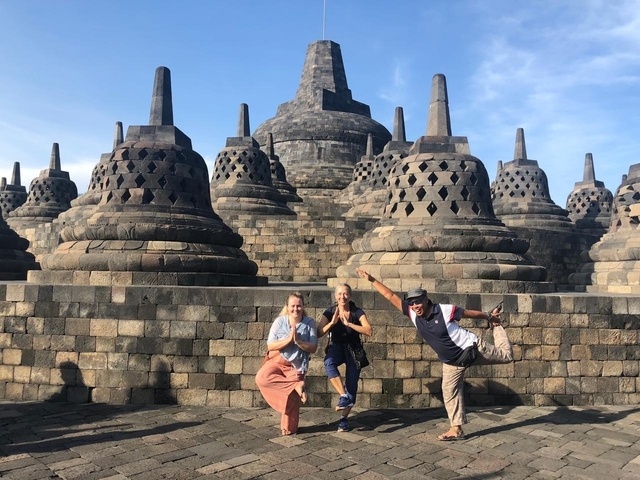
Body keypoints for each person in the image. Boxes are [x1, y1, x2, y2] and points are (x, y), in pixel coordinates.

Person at [355, 268, 512, 441]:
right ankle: (456, 429)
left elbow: (468, 313)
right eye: (412, 303)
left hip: (472, 348)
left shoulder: (444, 310)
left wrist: (489, 317)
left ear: (426, 300)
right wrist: (371, 279)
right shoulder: (413, 314)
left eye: (418, 302)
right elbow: (391, 296)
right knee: (449, 390)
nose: (415, 306)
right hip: (452, 362)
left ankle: (498, 327)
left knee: (506, 356)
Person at [255, 292, 318, 436]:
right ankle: (296, 385)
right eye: (293, 306)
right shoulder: (280, 322)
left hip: (295, 367)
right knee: (262, 378)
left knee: (290, 429)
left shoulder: (309, 323)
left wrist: (299, 342)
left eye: (299, 306)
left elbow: (313, 348)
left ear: (303, 307)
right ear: (287, 307)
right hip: (277, 361)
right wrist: (288, 340)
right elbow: (270, 345)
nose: (296, 309)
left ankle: (288, 424)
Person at [317, 283, 372, 432]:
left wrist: (349, 324)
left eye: (346, 294)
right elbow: (319, 332)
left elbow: (368, 330)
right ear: (335, 296)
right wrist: (333, 323)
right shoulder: (329, 312)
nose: (343, 297)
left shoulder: (357, 311)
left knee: (352, 385)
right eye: (340, 294)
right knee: (329, 363)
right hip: (337, 347)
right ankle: (343, 396)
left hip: (354, 349)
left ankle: (344, 419)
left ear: (350, 296)